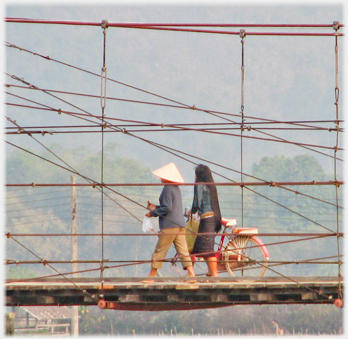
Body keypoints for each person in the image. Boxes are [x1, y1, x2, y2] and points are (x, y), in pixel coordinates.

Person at [143, 162, 195, 283]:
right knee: (183, 250)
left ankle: (151, 276)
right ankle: (192, 274)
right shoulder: (176, 188)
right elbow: (169, 206)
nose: (161, 178)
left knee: (160, 249)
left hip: (170, 225)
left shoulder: (167, 189)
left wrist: (152, 213)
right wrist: (156, 207)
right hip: (180, 224)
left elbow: (167, 208)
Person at [191, 164, 222, 277]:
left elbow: (197, 202)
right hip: (214, 218)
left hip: (207, 219)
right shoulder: (211, 186)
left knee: (207, 248)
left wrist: (192, 211)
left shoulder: (200, 185)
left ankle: (214, 274)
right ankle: (210, 272)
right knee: (201, 247)